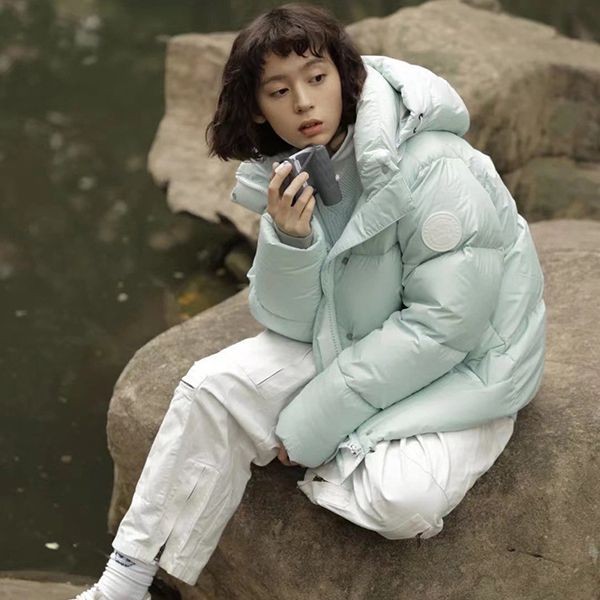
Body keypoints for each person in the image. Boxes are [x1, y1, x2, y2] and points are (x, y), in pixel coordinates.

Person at [73, 3, 546, 599]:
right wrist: (291, 240)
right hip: (357, 334)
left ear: (345, 77)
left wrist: (312, 422)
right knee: (211, 387)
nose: (303, 103)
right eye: (279, 91)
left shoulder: (433, 165)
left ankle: (341, 438)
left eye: (317, 78)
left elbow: (446, 327)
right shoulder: (290, 171)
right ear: (257, 107)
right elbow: (289, 321)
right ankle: (123, 584)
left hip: (469, 363)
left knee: (400, 500)